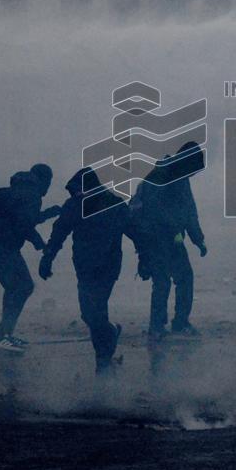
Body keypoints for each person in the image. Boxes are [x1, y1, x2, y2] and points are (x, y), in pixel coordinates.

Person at [39, 168, 135, 372]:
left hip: (106, 268)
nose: (75, 195)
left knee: (96, 312)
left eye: (77, 191)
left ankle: (103, 361)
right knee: (90, 314)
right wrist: (48, 257)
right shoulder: (76, 205)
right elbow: (59, 231)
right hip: (85, 268)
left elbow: (134, 231)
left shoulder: (113, 203)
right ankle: (109, 338)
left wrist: (147, 258)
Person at [0, 163, 59, 353]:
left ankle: (4, 334)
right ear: (45, 180)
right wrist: (41, 245)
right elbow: (24, 224)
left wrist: (47, 214)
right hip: (0, 245)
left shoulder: (21, 189)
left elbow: (21, 218)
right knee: (22, 286)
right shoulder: (32, 194)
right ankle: (2, 336)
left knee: (17, 286)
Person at [132, 142, 207, 339]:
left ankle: (175, 323)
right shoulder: (164, 175)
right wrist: (176, 232)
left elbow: (189, 210)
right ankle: (158, 326)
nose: (193, 174)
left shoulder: (178, 176)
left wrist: (198, 239)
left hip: (171, 239)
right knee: (163, 281)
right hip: (157, 239)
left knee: (181, 278)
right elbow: (155, 210)